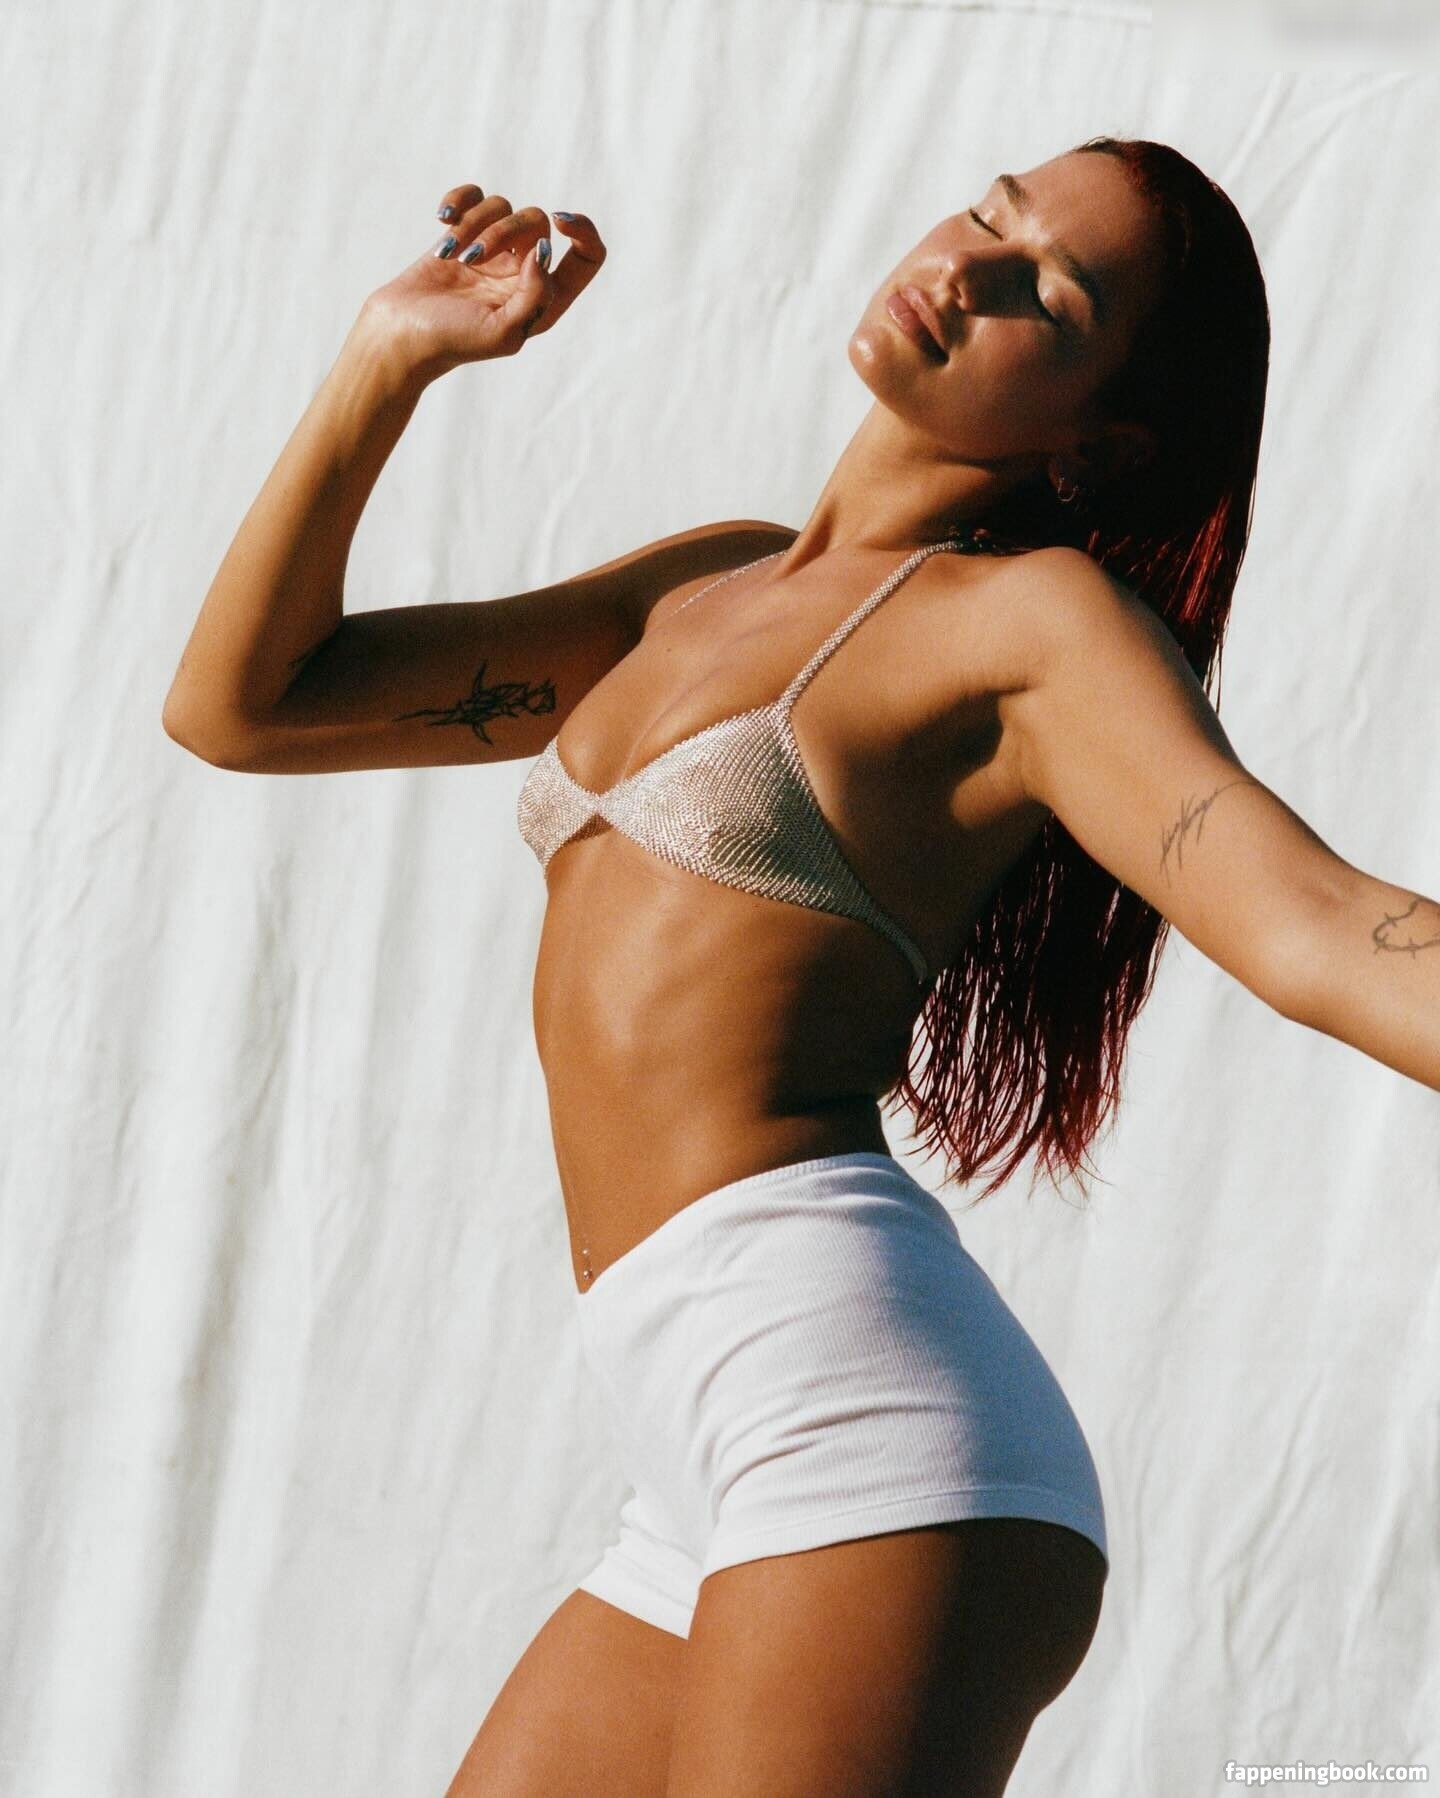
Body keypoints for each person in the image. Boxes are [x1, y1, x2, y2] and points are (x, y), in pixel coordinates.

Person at [163, 137, 1440, 1796]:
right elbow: (245, 706)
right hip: (693, 1459)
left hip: (864, 1432)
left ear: (1098, 441)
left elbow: (1316, 926)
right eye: (989, 212)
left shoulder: (1029, 629)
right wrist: (388, 359)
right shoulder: (694, 588)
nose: (967, 267)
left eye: (1047, 295)